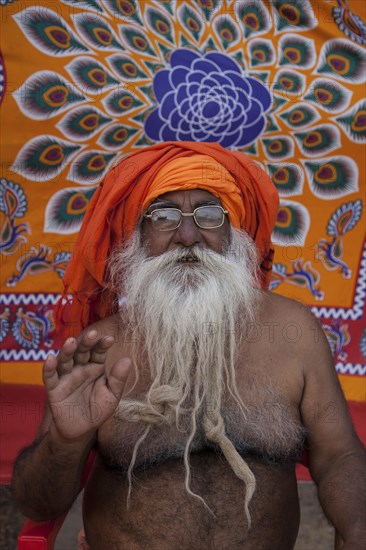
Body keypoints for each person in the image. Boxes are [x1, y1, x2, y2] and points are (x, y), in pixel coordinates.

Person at [12, 142, 365, 549]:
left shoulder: (294, 331)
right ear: (136, 235)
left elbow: (339, 456)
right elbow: (37, 504)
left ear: (235, 232)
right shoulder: (100, 349)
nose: (187, 236)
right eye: (162, 216)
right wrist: (65, 442)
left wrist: (358, 532)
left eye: (210, 214)